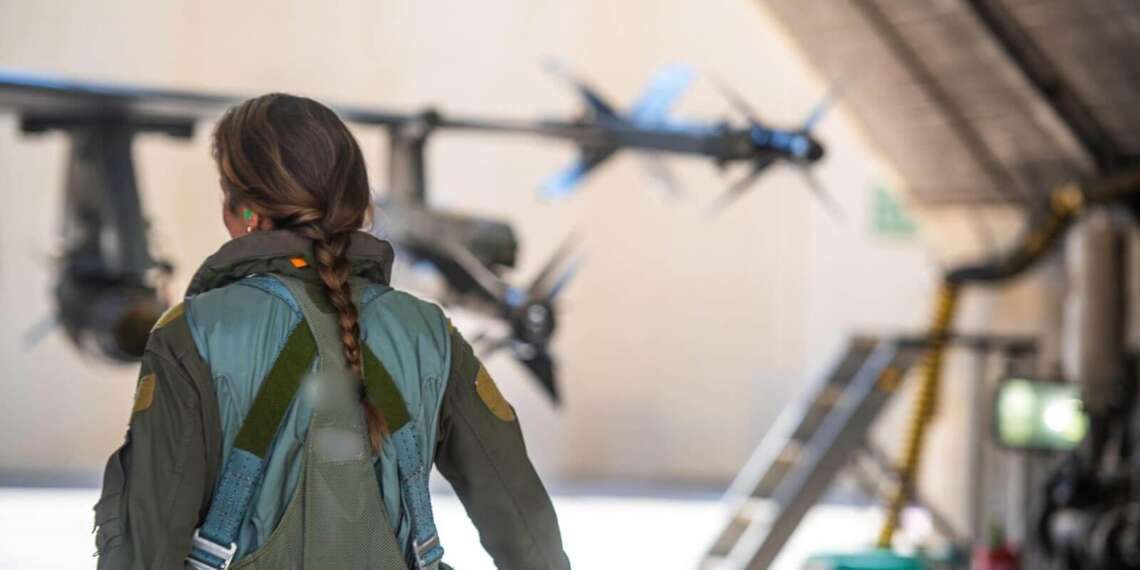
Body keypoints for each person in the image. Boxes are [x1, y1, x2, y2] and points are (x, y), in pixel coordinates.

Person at [93, 93, 571, 569]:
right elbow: (525, 529)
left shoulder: (191, 335)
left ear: (245, 215)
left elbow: (145, 551)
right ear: (361, 208)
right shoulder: (429, 335)